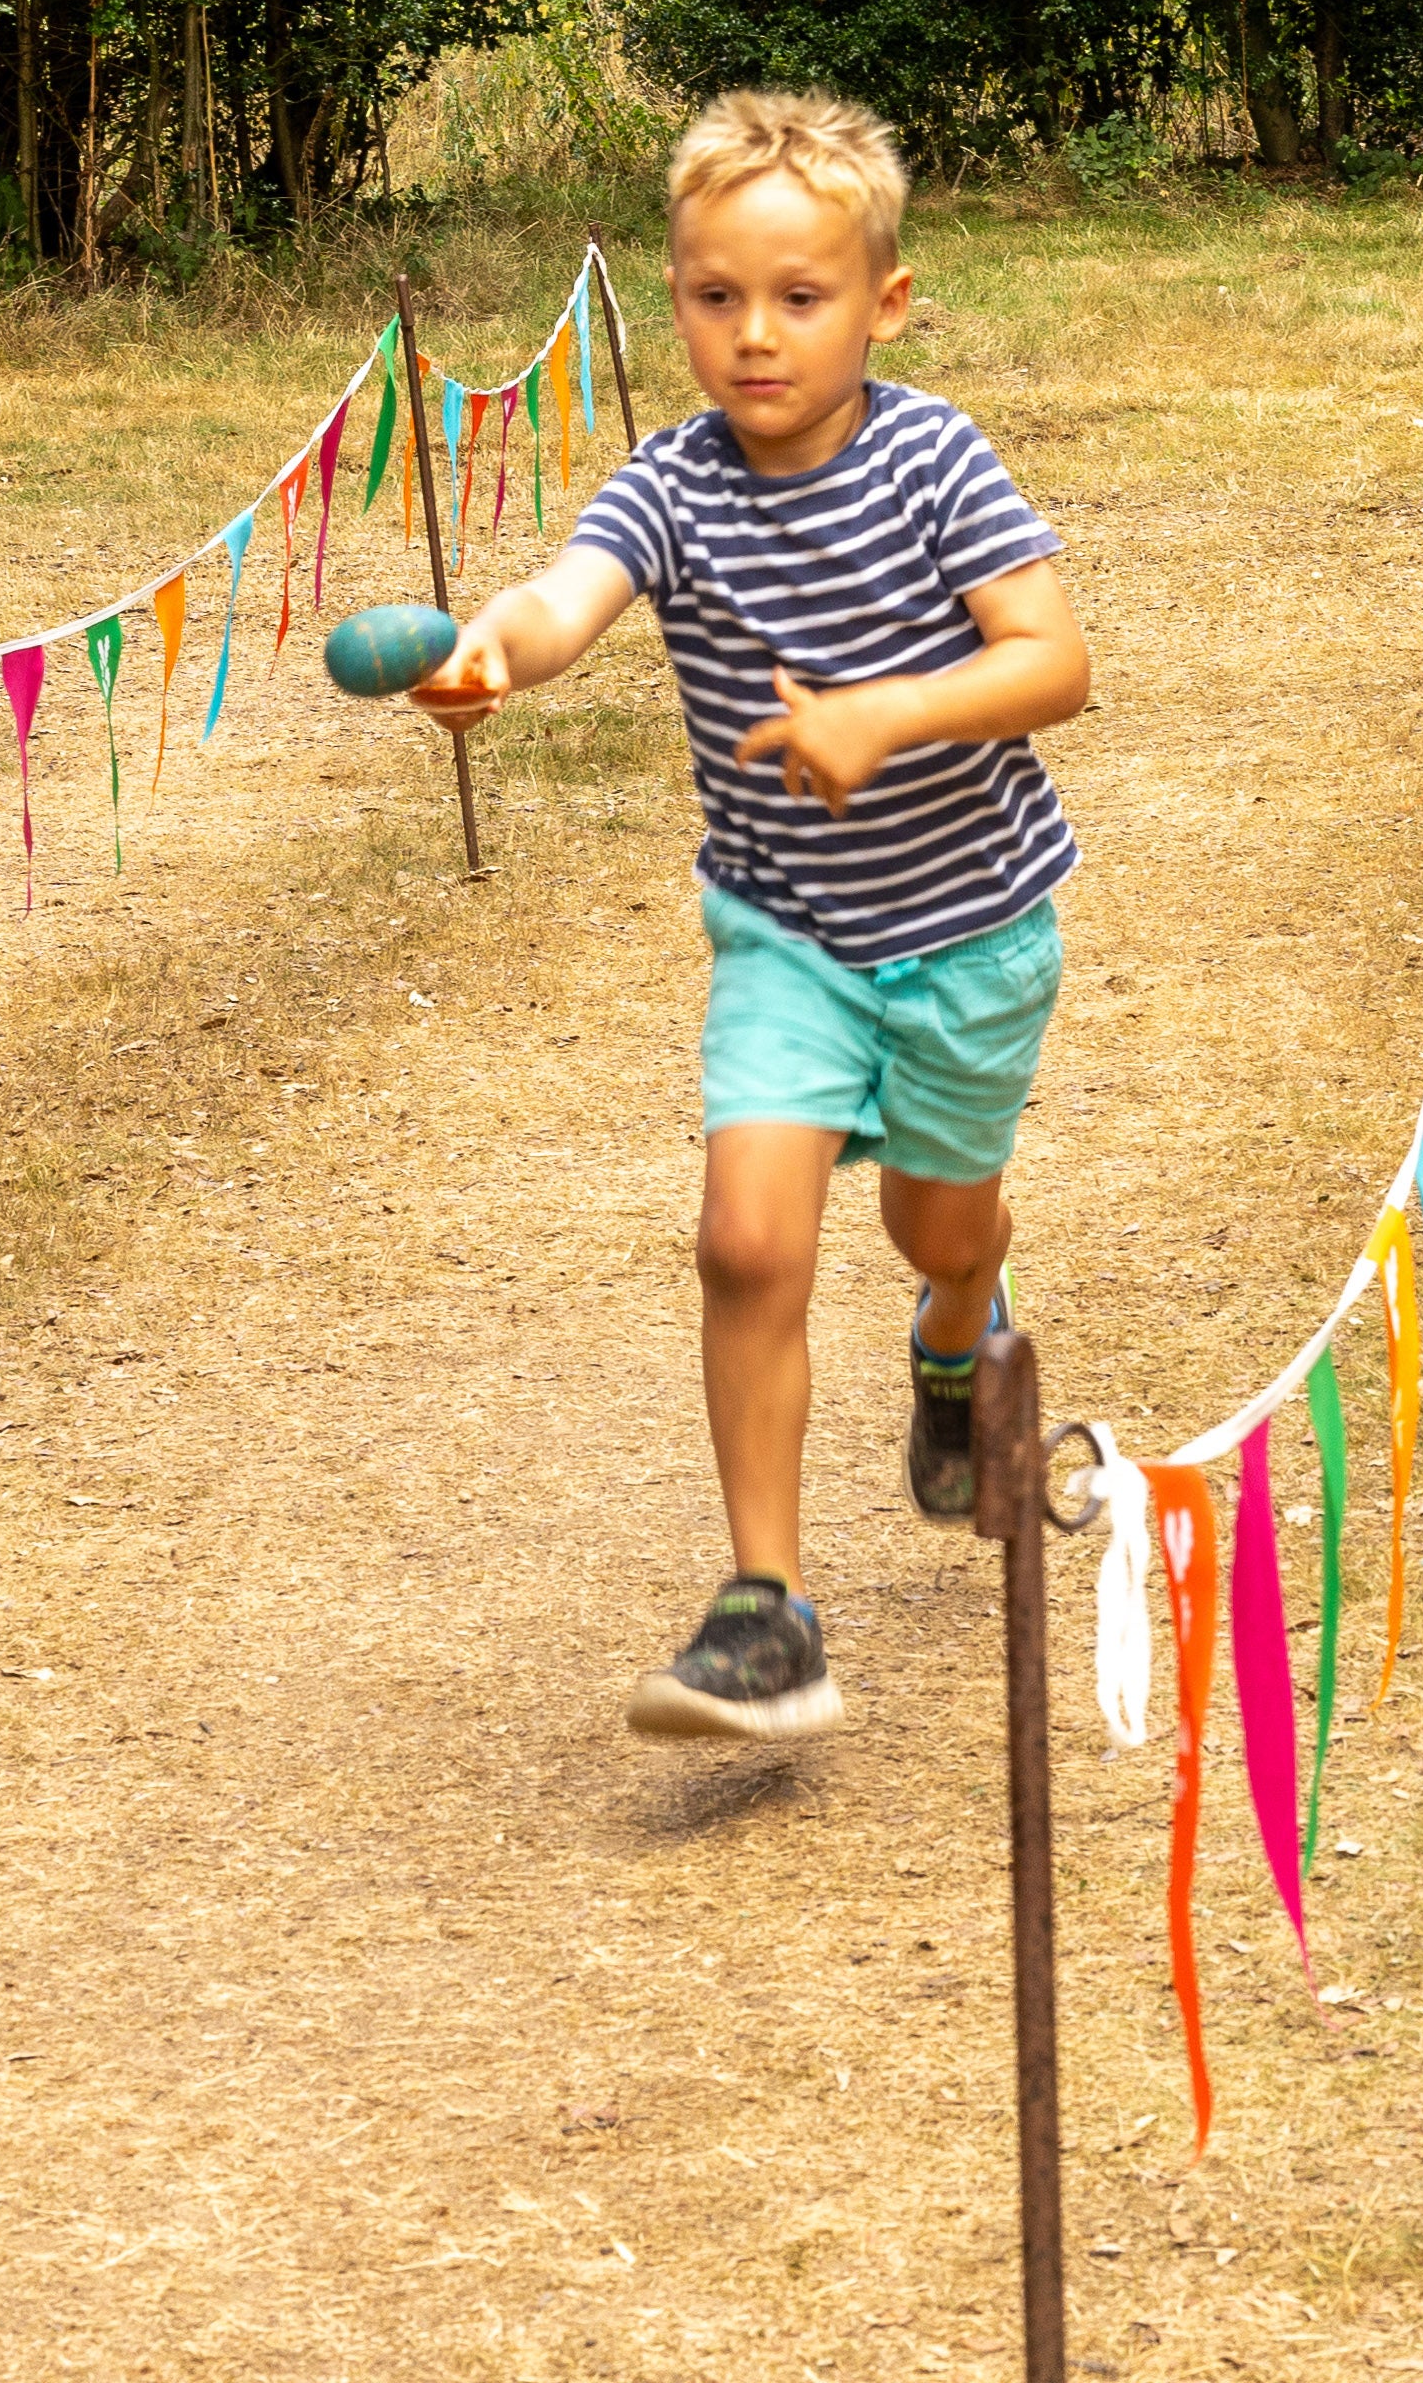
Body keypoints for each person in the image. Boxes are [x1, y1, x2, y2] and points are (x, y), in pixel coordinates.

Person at [419, 91, 1091, 1736]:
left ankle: (954, 1335)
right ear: (678, 301)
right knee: (744, 1241)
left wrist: (883, 713)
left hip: (970, 934)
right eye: (717, 297)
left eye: (800, 296)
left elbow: (1052, 662)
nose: (756, 334)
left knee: (939, 1228)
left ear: (884, 300)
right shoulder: (671, 485)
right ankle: (765, 1607)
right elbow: (567, 593)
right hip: (786, 933)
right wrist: (497, 651)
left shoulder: (936, 458)